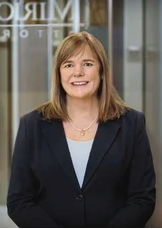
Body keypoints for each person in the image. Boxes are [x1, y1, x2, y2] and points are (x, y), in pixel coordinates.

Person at [7, 31, 156, 228]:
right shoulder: (31, 125)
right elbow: (18, 201)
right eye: (68, 65)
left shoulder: (132, 123)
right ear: (59, 74)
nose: (78, 72)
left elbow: (142, 199)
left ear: (101, 71)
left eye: (87, 64)